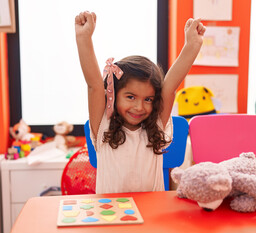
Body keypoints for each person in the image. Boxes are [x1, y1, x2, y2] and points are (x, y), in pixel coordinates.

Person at [75, 11, 205, 194]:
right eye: (130, 97)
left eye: (148, 99)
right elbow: (94, 86)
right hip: (110, 215)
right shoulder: (102, 125)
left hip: (152, 216)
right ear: (112, 95)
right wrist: (83, 37)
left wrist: (193, 45)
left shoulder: (156, 127)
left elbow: (170, 87)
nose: (139, 107)